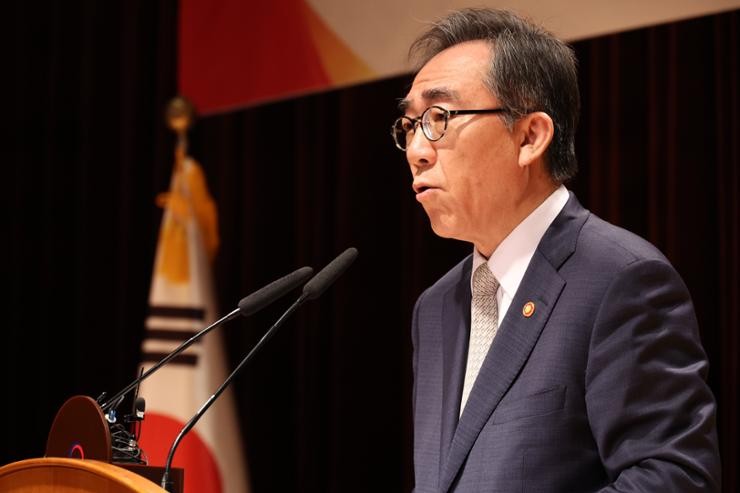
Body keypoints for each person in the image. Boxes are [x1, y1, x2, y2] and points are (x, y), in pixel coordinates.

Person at [393, 8, 721, 492]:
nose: (417, 149)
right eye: (409, 124)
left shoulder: (622, 279)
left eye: (440, 117)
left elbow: (673, 478)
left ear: (530, 136)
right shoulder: (436, 307)